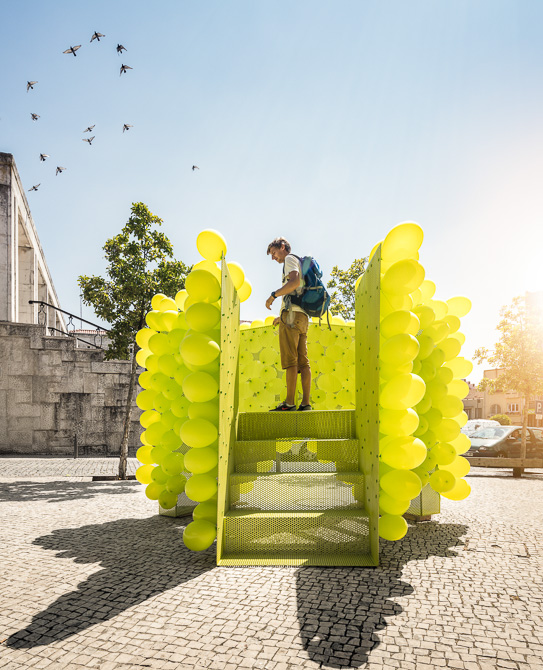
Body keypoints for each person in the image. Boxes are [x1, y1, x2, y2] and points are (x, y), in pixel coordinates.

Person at [265, 237, 311, 411]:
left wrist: (273, 295)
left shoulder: (290, 259)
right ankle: (305, 404)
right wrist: (281, 316)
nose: (273, 258)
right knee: (303, 362)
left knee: (291, 361)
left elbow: (294, 282)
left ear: (282, 247)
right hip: (302, 316)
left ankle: (289, 403)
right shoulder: (299, 261)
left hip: (291, 317)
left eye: (274, 253)